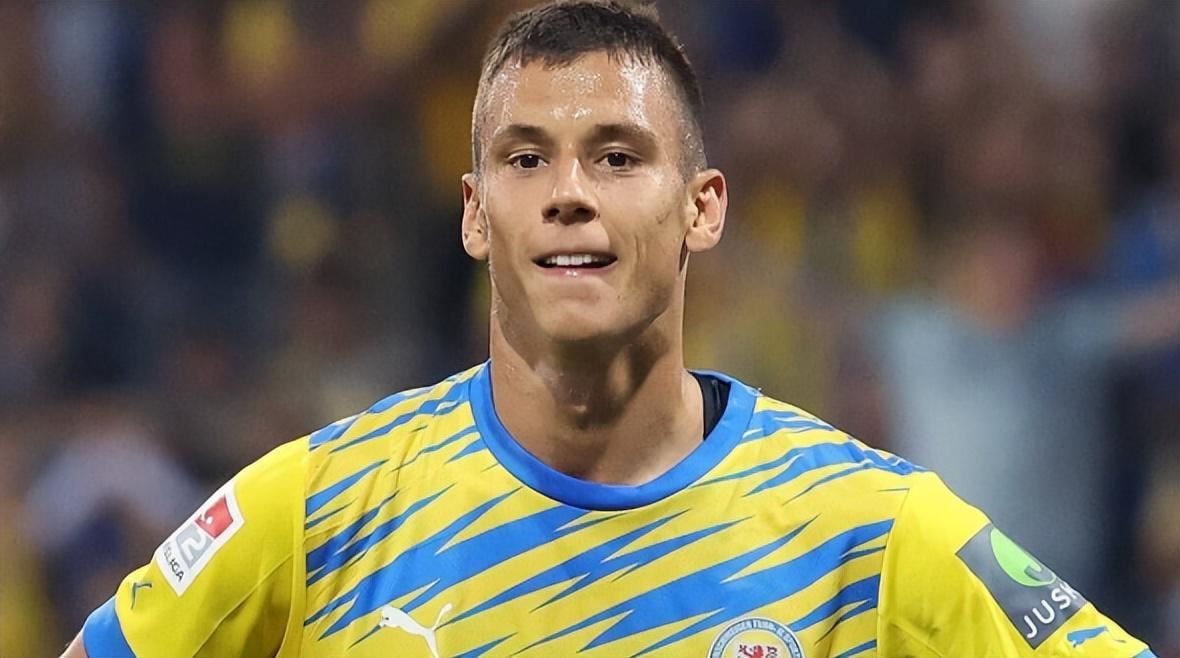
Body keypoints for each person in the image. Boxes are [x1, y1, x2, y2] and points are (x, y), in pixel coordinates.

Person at [64, 2, 1155, 656]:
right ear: (474, 213)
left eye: (619, 156)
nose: (568, 195)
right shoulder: (317, 510)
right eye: (525, 159)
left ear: (703, 208)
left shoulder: (870, 533)